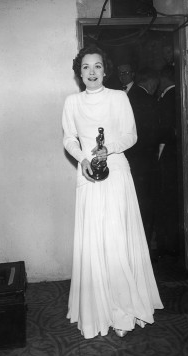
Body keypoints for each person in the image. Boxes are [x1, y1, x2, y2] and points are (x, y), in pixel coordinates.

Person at [61, 46, 164, 339]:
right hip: (88, 176)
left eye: (97, 66)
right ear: (79, 73)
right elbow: (69, 138)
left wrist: (109, 149)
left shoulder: (119, 98)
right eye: (85, 67)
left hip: (116, 171)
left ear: (106, 70)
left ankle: (122, 311)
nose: (91, 72)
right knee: (95, 240)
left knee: (117, 239)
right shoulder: (71, 102)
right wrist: (83, 159)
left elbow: (131, 134)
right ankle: (98, 310)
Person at [123, 67, 161, 254]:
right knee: (146, 202)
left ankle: (133, 245)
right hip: (146, 161)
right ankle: (144, 244)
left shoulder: (129, 97)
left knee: (134, 202)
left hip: (130, 159)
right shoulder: (147, 99)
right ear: (151, 82)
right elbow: (154, 133)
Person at [154, 64, 180, 259]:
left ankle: (168, 243)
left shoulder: (168, 98)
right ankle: (168, 242)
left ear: (165, 78)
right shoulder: (173, 96)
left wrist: (158, 154)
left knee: (166, 200)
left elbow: (164, 131)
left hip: (168, 157)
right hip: (172, 156)